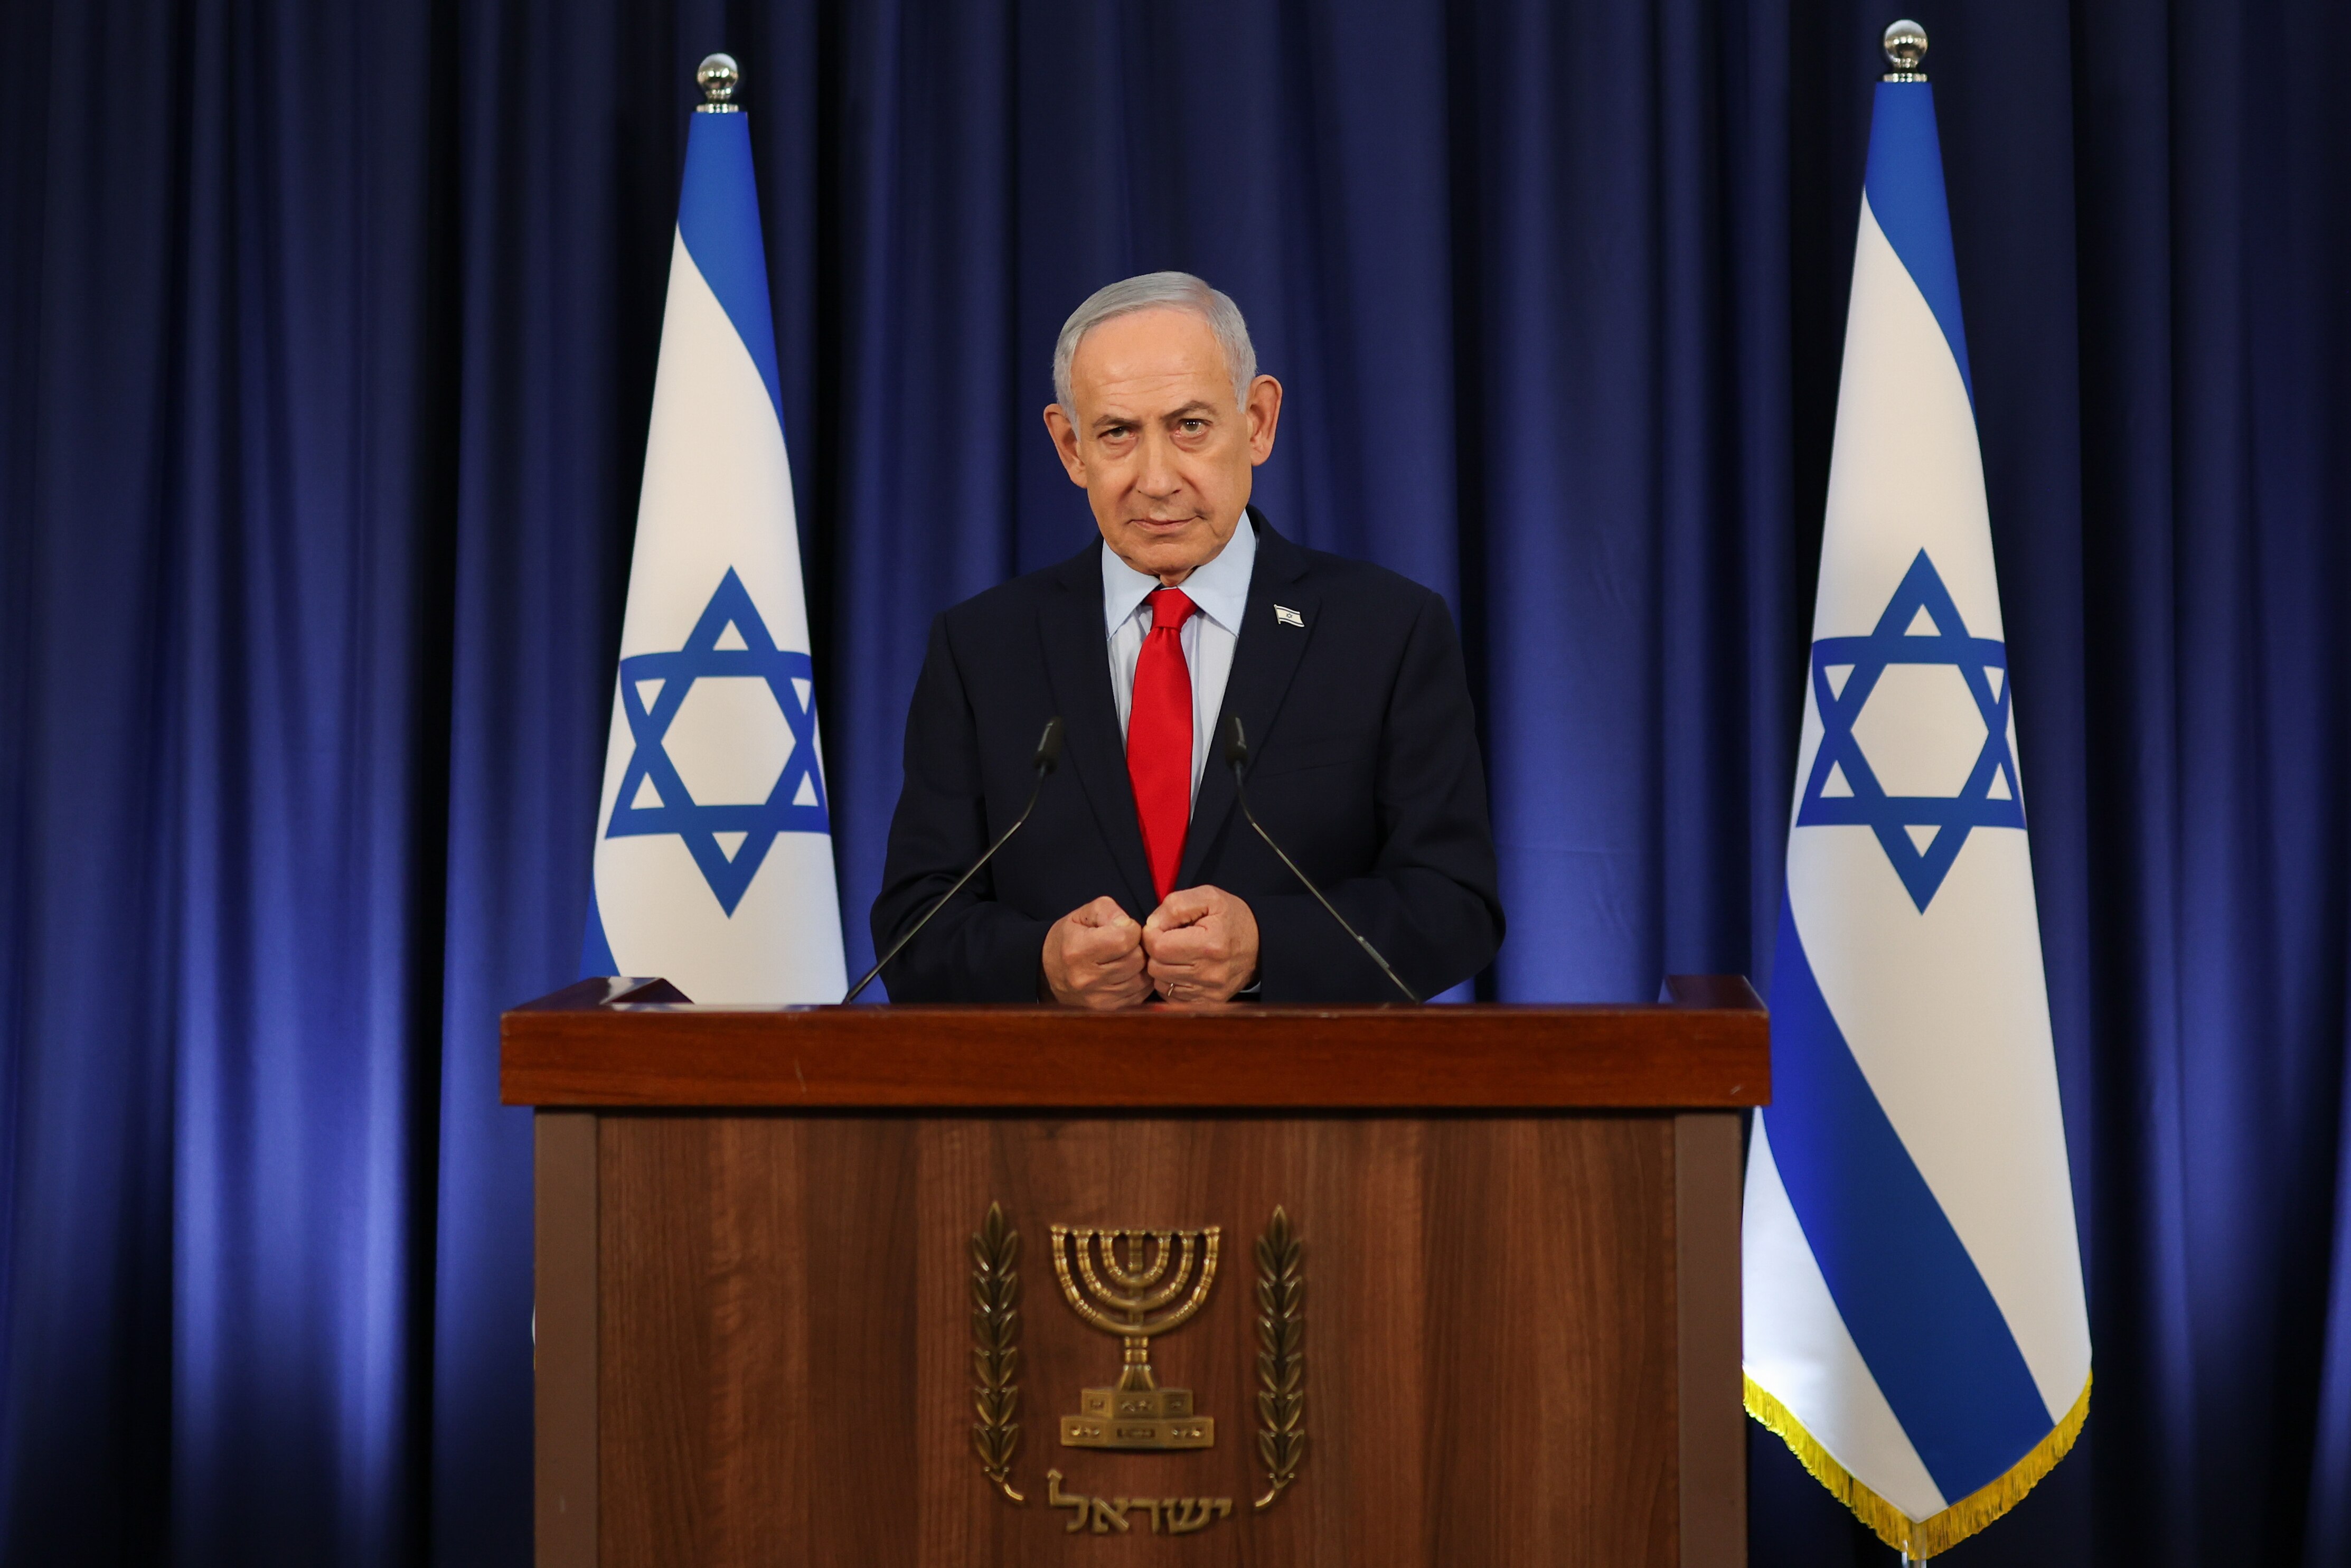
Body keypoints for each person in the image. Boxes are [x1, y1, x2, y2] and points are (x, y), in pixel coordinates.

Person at [870, 272, 1502, 1006]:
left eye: (1190, 426)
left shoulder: (1387, 631)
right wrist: (1040, 962)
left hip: (1303, 1080)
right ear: (1071, 447)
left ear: (1258, 421)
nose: (1157, 479)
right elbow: (914, 926)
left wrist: (1266, 945)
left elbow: (1454, 905)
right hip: (1060, 1080)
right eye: (1117, 433)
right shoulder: (982, 648)